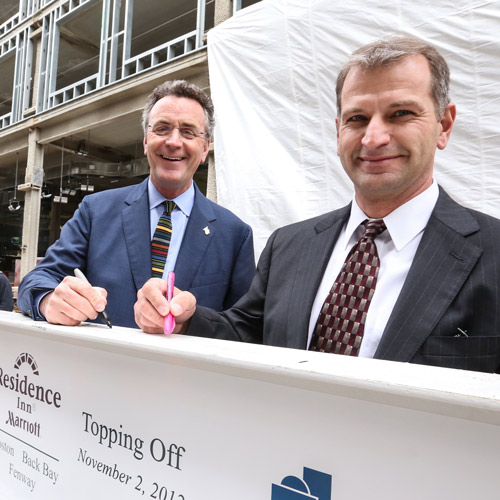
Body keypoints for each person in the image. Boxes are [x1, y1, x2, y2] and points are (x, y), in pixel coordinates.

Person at [136, 36, 500, 374]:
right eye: (357, 118)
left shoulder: (493, 254)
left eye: (401, 113)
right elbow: (248, 334)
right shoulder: (289, 246)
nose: (374, 138)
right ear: (338, 129)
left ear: (444, 125)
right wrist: (187, 319)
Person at [18, 80, 255, 328]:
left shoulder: (235, 234)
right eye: (162, 128)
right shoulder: (95, 211)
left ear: (205, 148)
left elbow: (244, 327)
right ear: (145, 141)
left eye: (188, 132)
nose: (174, 142)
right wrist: (48, 301)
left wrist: (189, 324)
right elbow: (38, 279)